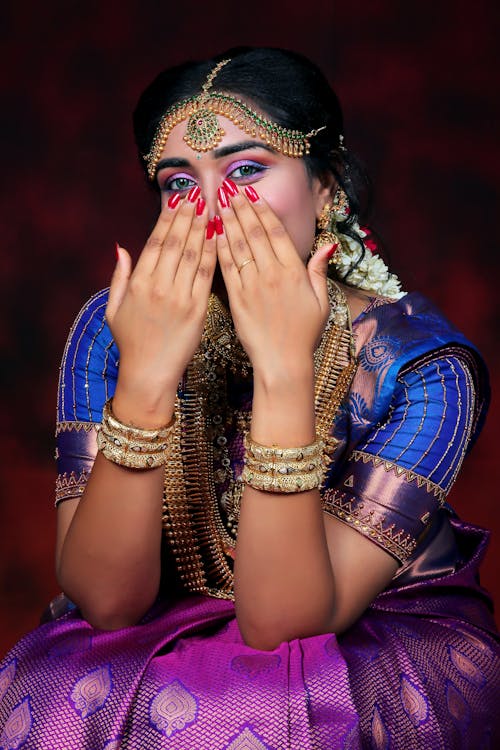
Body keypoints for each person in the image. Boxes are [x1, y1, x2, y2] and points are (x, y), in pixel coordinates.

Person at [0, 47, 498, 750]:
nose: (210, 209)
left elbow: (282, 625)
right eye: (179, 183)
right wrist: (145, 379)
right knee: (50, 686)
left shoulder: (425, 368)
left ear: (326, 190)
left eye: (245, 170)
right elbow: (106, 601)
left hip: (370, 639)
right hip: (165, 622)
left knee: (256, 701)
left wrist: (283, 369)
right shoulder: (114, 329)